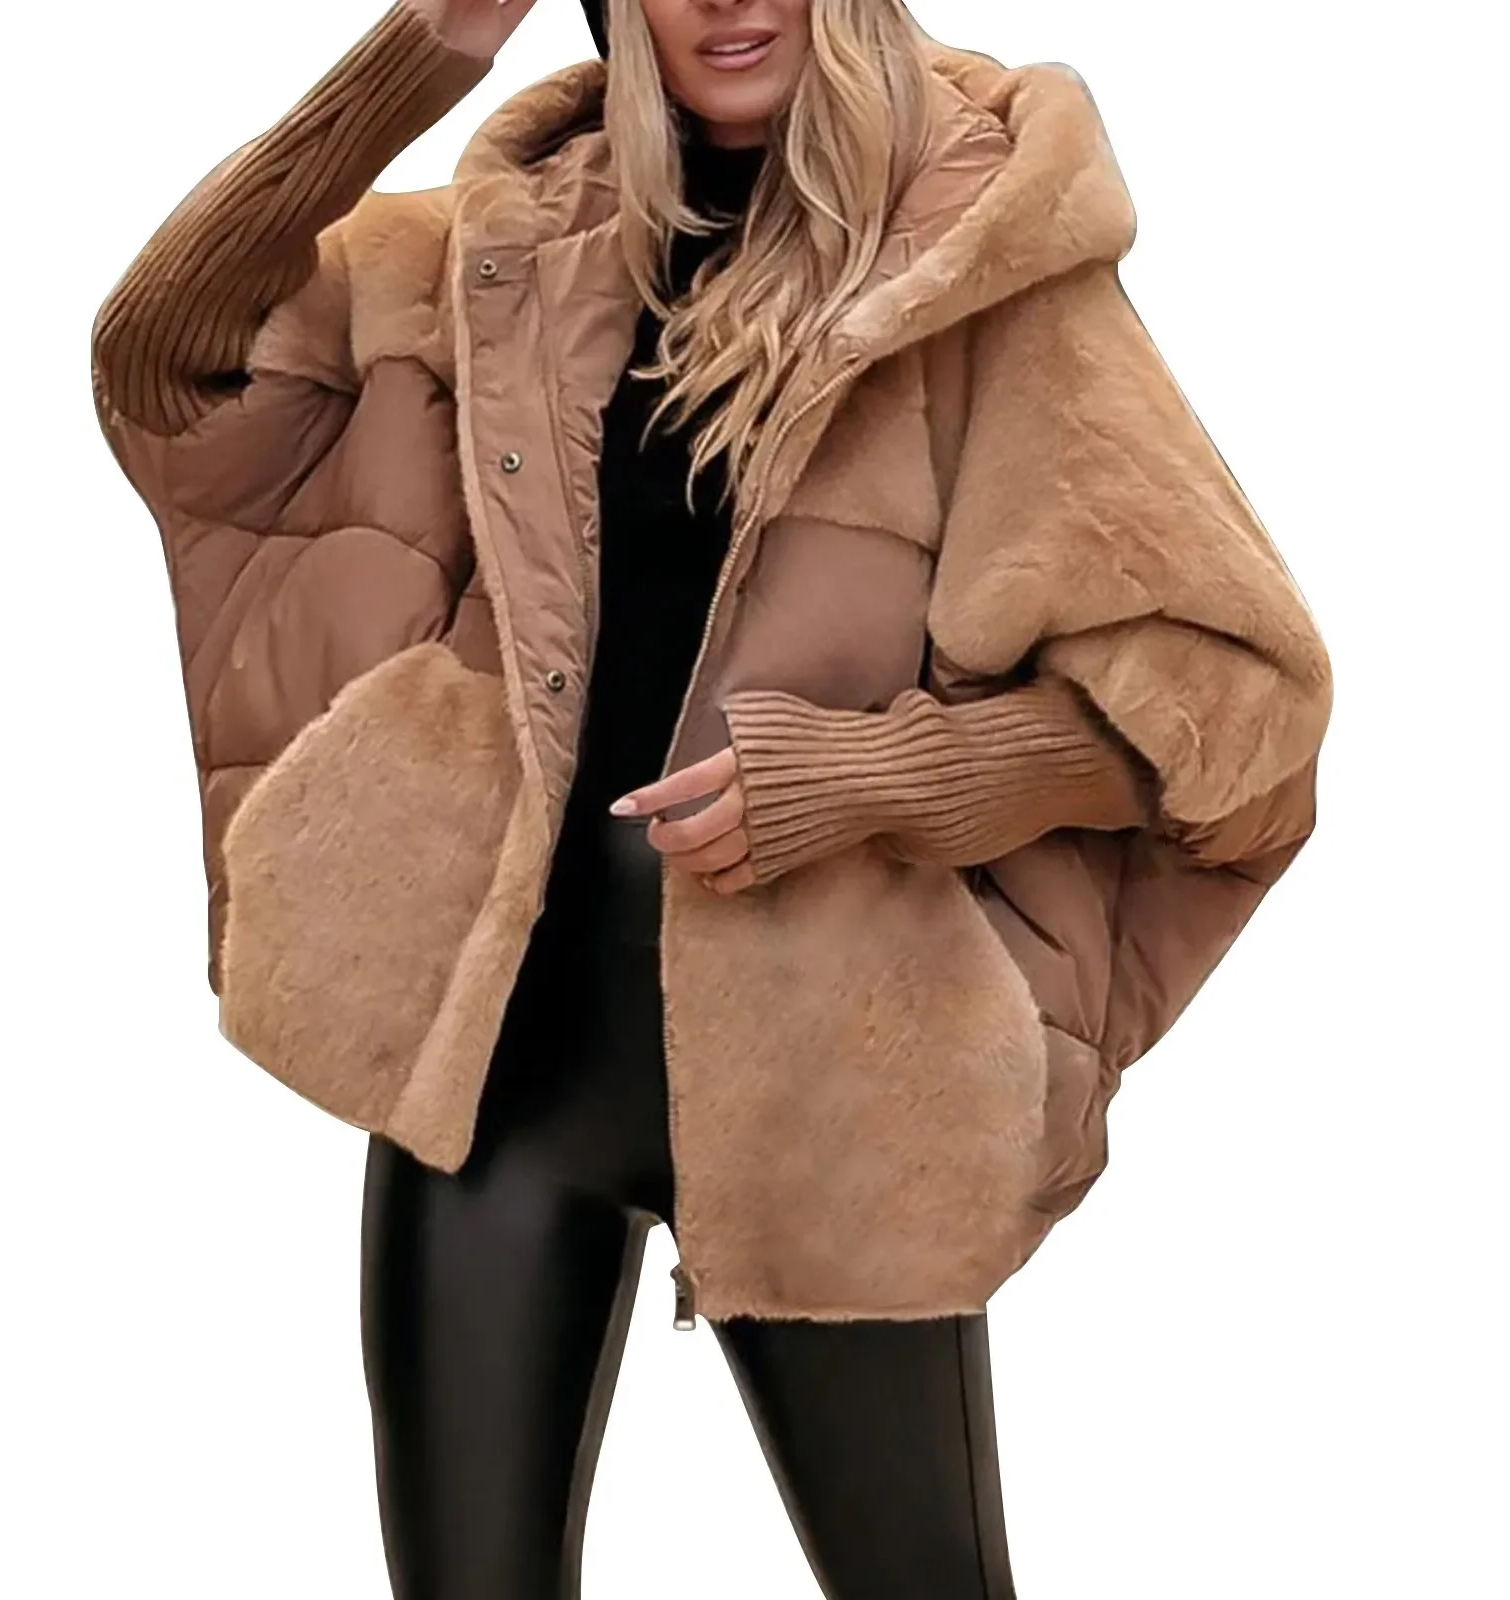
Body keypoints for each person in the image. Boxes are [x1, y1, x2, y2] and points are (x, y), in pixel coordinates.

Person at [89, 0, 1334, 1594]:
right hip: (501, 1076)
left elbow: (1233, 713)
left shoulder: (980, 264)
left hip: (839, 1083)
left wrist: (873, 778)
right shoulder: (506, 250)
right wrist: (426, 45)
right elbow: (164, 365)